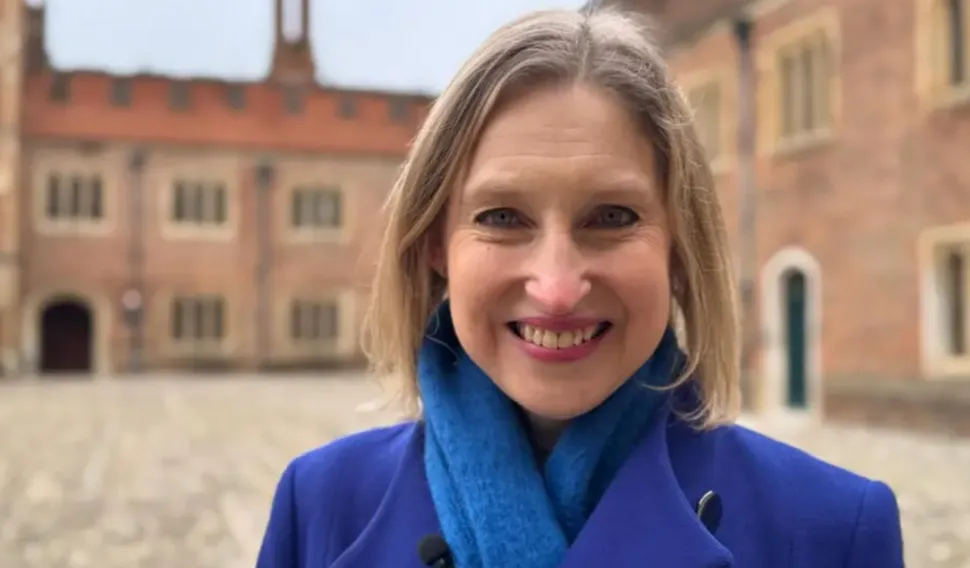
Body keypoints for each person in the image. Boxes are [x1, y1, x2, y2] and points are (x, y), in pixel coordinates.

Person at [255, 6, 904, 568]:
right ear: (435, 245)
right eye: (502, 218)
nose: (558, 287)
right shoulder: (321, 505)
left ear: (678, 246)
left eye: (612, 218)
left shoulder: (833, 529)